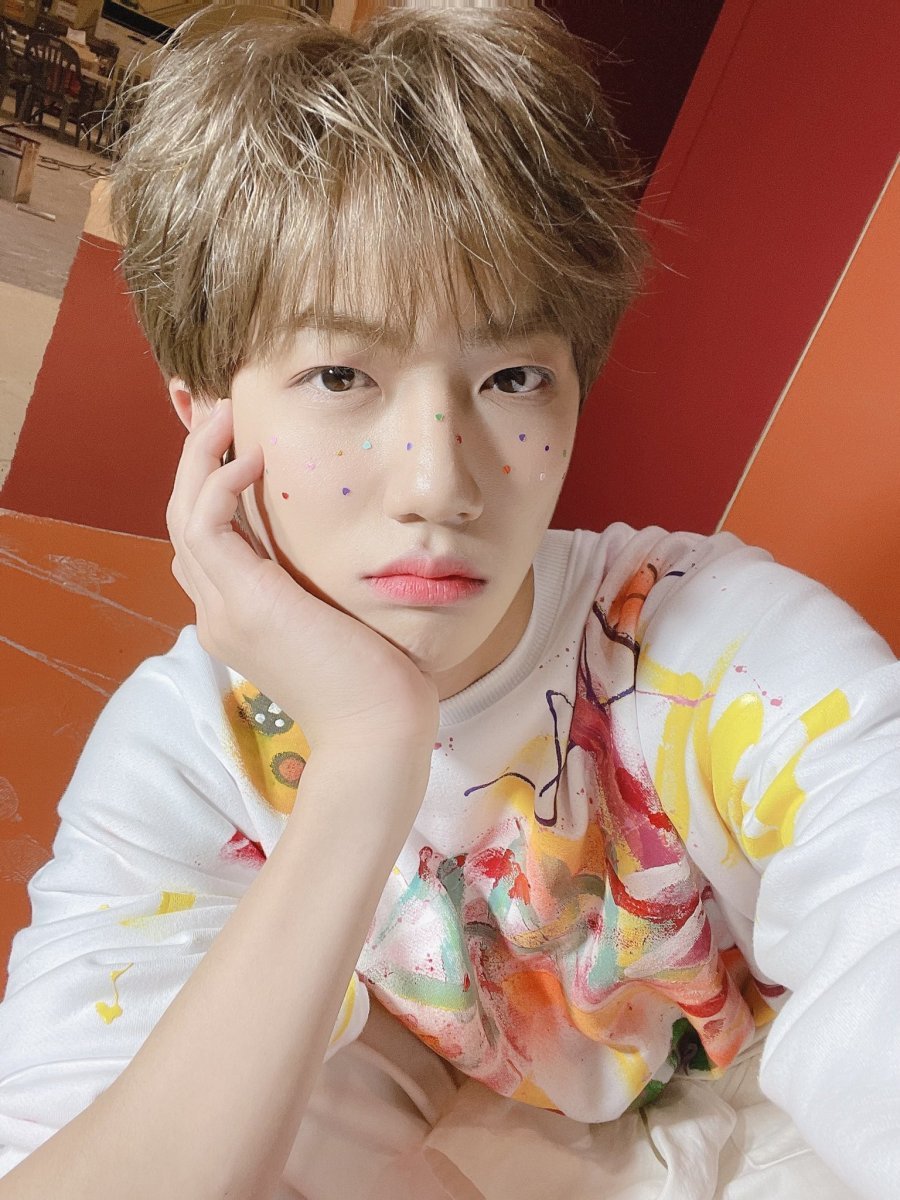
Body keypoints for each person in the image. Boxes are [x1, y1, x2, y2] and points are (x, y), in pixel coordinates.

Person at [0, 8, 897, 1200]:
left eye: (512, 377)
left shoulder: (713, 649)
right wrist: (367, 753)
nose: (440, 482)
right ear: (205, 419)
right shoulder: (190, 743)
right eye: (340, 375)